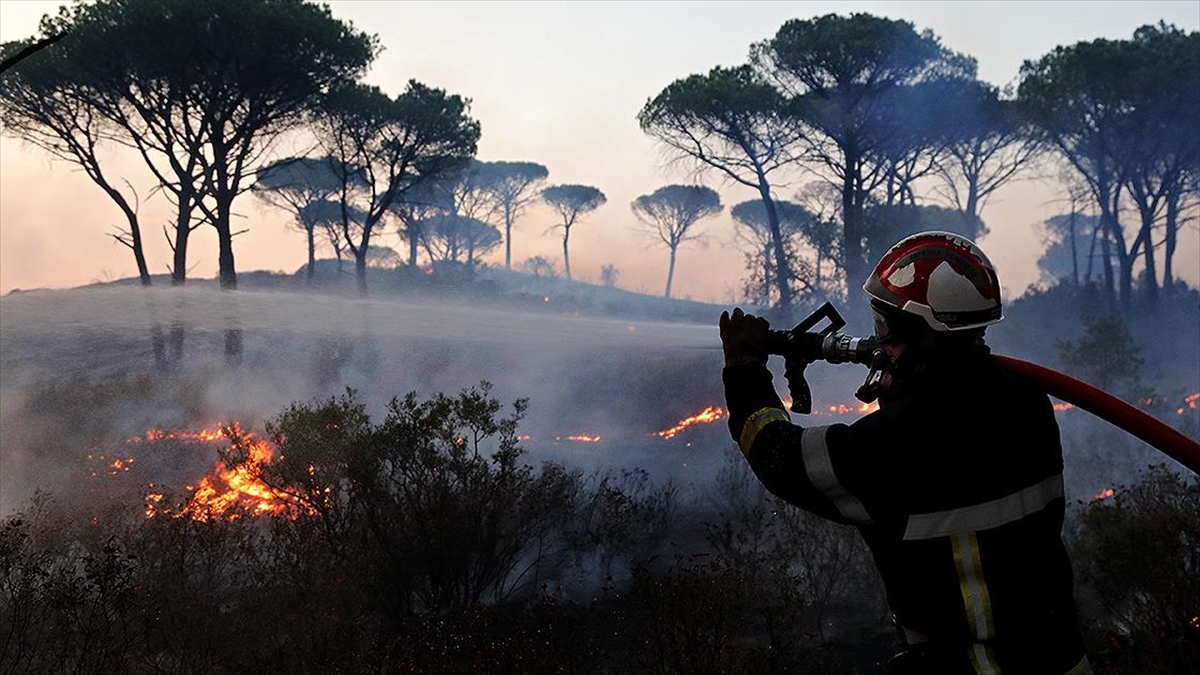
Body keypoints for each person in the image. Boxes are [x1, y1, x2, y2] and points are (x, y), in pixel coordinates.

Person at [719, 231, 1091, 675]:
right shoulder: (1027, 401)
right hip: (1060, 657)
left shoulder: (896, 442)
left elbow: (778, 458)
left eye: (885, 327)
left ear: (922, 332)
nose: (879, 341)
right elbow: (956, 438)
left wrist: (743, 370)